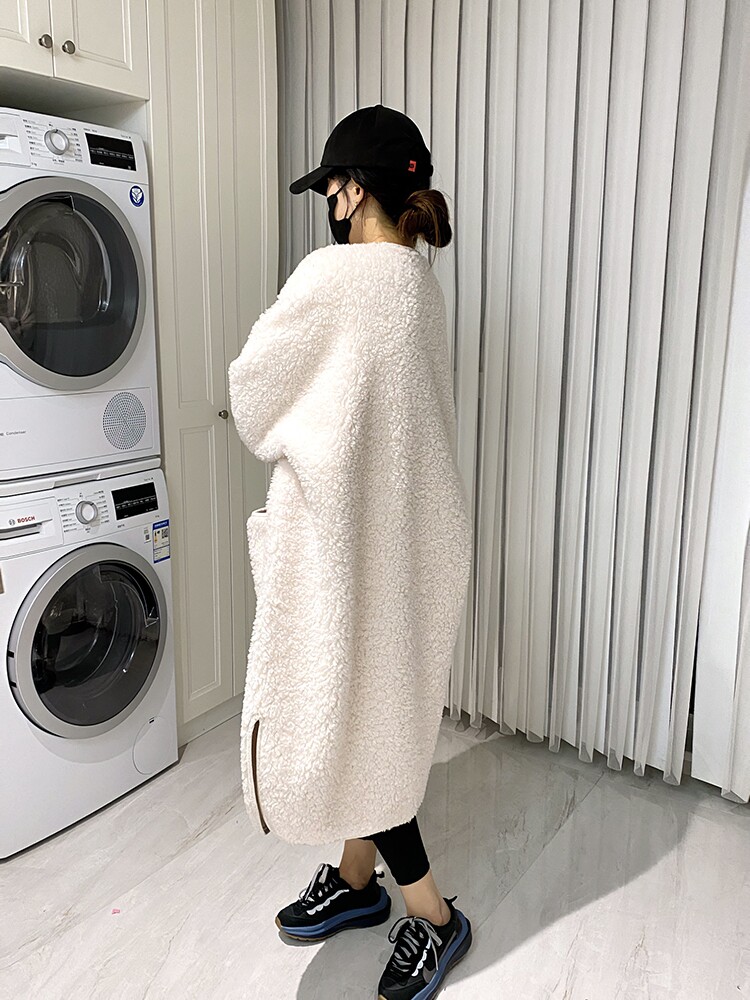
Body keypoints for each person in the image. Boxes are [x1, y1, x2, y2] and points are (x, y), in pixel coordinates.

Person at [228, 104, 473, 1000]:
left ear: (351, 190)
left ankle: (436, 920)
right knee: (376, 719)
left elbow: (252, 392)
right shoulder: (417, 285)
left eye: (329, 186)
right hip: (410, 549)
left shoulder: (332, 278)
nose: (327, 204)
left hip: (347, 554)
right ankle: (358, 880)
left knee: (359, 731)